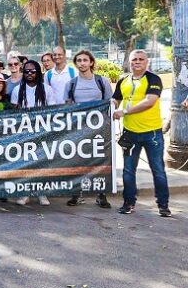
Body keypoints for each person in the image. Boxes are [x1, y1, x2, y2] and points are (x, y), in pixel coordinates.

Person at [113, 50, 171, 217]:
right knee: (128, 170)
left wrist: (124, 112)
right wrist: (111, 105)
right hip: (130, 133)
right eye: (134, 60)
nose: (137, 62)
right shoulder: (123, 80)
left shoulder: (153, 79)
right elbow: (116, 98)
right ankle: (128, 203)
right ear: (129, 62)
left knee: (158, 169)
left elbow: (149, 101)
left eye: (141, 59)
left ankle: (163, 205)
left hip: (151, 133)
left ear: (147, 62)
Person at [64, 50, 114, 208]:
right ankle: (76, 194)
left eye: (85, 60)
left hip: (99, 129)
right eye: (79, 60)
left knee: (100, 161)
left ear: (91, 62)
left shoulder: (102, 81)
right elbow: (67, 106)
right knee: (78, 161)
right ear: (76, 63)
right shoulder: (71, 83)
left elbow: (110, 103)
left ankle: (101, 194)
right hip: (79, 130)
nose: (82, 63)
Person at [10, 59, 58, 206]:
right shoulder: (18, 90)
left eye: (33, 71)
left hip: (42, 132)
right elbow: (14, 113)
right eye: (26, 71)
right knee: (25, 164)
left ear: (38, 72)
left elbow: (53, 111)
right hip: (23, 133)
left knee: (41, 164)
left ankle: (41, 193)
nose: (29, 73)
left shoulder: (47, 89)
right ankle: (25, 193)